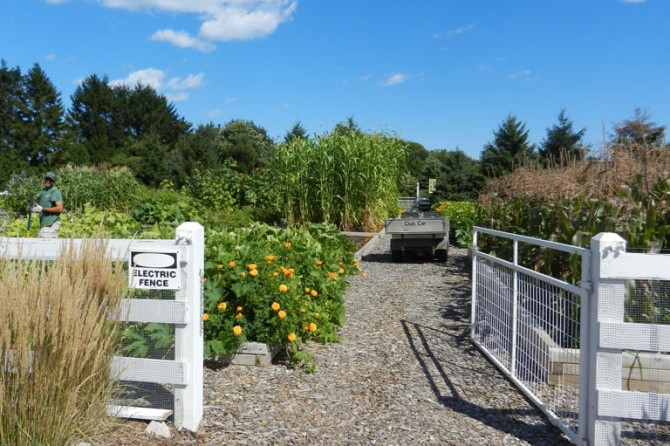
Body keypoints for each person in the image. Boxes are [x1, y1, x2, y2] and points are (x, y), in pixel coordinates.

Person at [27, 171, 64, 238]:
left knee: (44, 245)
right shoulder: (43, 191)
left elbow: (60, 208)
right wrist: (32, 208)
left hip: (51, 224)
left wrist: (42, 209)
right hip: (44, 224)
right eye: (47, 179)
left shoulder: (55, 191)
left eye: (50, 180)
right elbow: (38, 205)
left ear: (53, 181)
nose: (48, 181)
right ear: (44, 179)